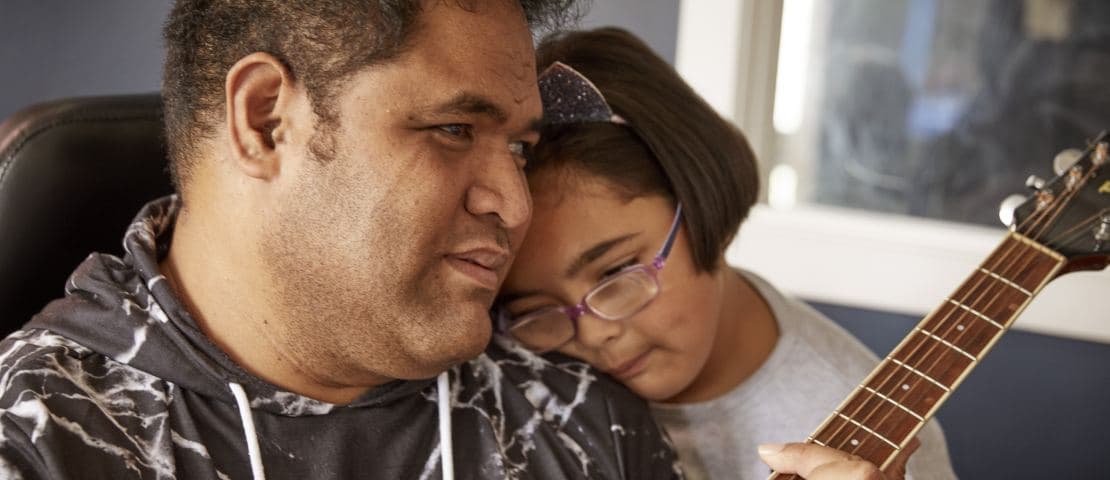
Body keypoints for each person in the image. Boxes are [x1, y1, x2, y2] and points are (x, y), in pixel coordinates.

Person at [0, 2, 686, 479]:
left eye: (520, 149)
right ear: (266, 119)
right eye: (453, 130)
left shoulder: (578, 421)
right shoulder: (39, 442)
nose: (513, 203)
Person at [496, 27, 959, 480]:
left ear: (700, 205)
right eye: (538, 310)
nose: (594, 333)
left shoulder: (874, 440)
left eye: (616, 273)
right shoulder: (512, 370)